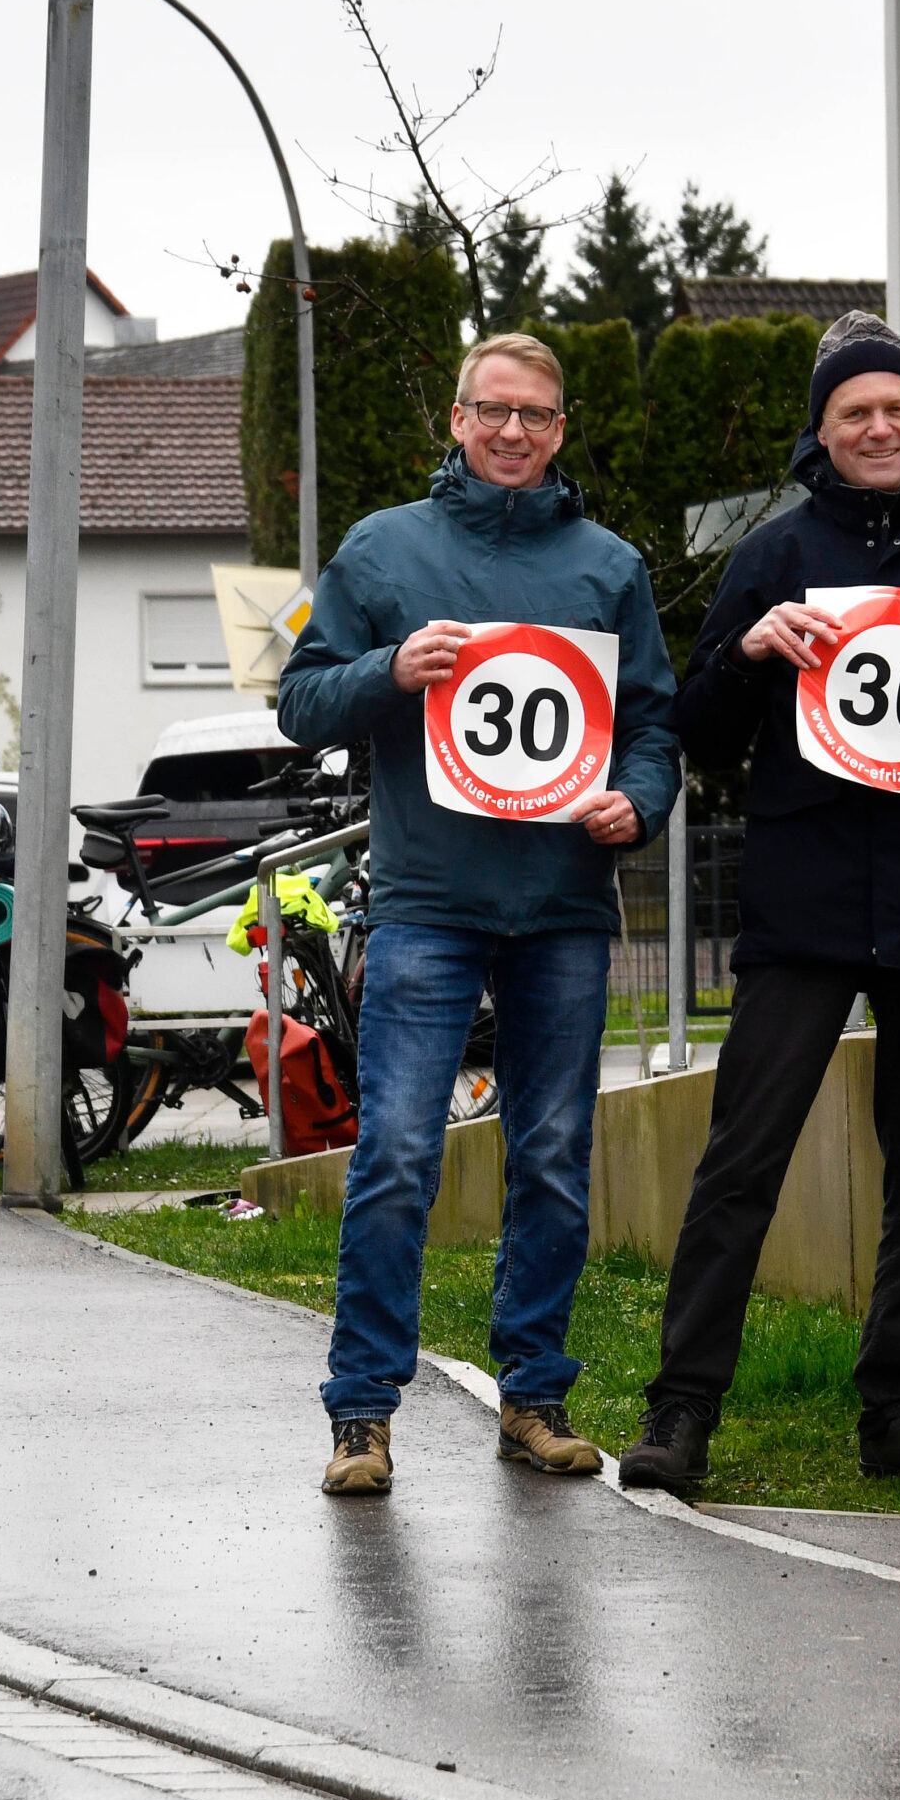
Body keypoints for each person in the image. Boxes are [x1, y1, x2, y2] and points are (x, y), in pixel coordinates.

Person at [617, 313, 900, 1496]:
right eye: (855, 411)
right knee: (742, 1157)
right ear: (821, 429)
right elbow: (698, 729)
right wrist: (751, 649)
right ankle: (683, 1406)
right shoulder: (770, 556)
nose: (879, 427)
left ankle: (899, 1409)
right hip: (805, 898)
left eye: (897, 409)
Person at [279, 332, 681, 1497]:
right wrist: (388, 670)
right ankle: (361, 1412)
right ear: (456, 419)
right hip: (427, 903)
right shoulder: (382, 547)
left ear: (562, 430)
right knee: (397, 1152)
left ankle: (534, 1395)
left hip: (562, 903)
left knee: (552, 1156)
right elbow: (302, 700)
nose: (515, 432)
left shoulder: (608, 564)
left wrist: (638, 800)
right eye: (494, 411)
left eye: (538, 416)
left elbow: (650, 723)